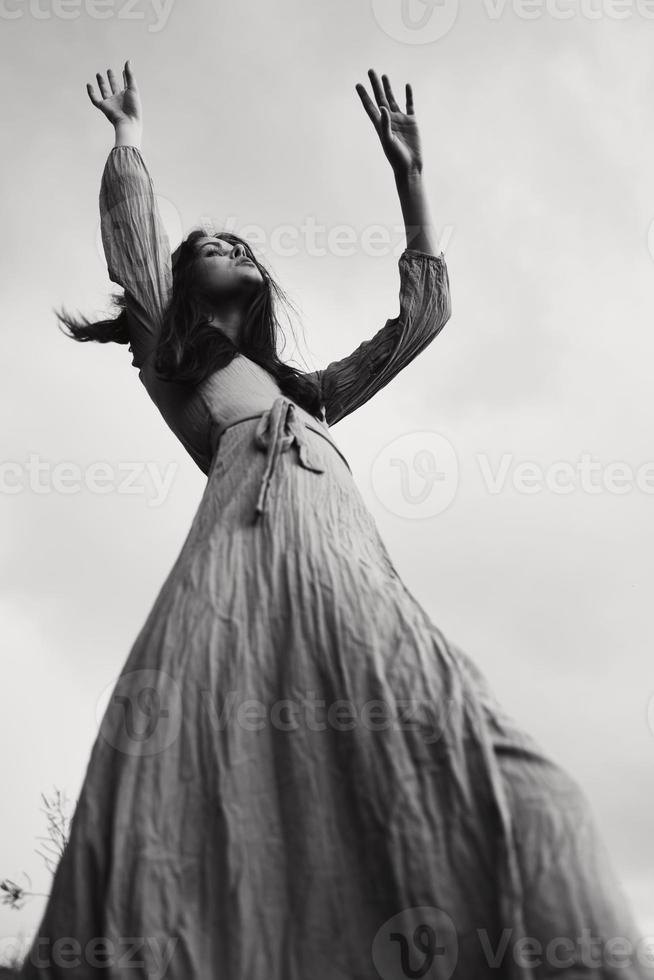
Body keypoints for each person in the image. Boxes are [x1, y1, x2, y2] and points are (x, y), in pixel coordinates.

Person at [19, 61, 652, 980]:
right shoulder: (173, 352)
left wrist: (411, 182)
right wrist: (127, 140)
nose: (229, 243)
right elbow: (131, 240)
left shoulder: (309, 394)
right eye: (211, 240)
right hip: (236, 563)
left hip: (353, 569)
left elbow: (418, 322)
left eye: (240, 239)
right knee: (181, 783)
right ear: (186, 277)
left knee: (537, 804)